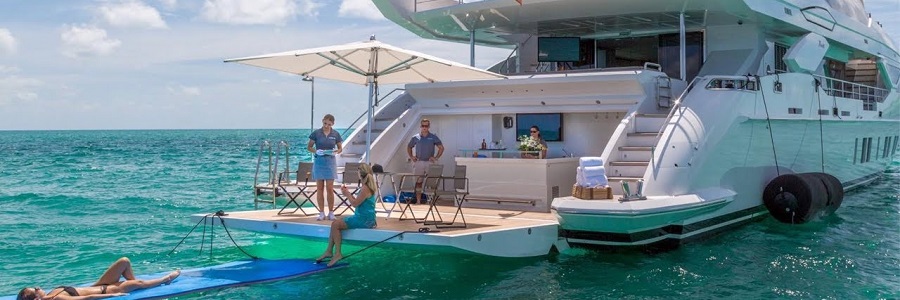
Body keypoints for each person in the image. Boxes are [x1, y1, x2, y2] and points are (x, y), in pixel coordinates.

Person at [16, 257, 180, 300]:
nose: (38, 287)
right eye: (35, 290)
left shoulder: (51, 294)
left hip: (100, 284)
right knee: (138, 283)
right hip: (108, 289)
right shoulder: (57, 298)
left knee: (124, 261)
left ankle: (139, 290)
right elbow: (89, 297)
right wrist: (112, 295)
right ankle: (166, 279)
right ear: (36, 299)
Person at [315, 163, 378, 267]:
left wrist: (347, 194)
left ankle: (337, 253)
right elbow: (358, 202)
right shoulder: (367, 187)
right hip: (366, 218)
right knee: (335, 224)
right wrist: (348, 193)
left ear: (360, 174)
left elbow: (355, 204)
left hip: (364, 220)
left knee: (335, 224)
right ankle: (329, 251)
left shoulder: (365, 188)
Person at [307, 114, 343, 221]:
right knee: (320, 188)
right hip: (319, 162)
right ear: (322, 121)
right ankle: (321, 212)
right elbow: (309, 147)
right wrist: (316, 151)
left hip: (330, 162)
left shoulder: (335, 134)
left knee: (330, 188)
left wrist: (336, 152)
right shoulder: (316, 133)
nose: (326, 126)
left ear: (333, 124)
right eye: (325, 123)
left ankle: (331, 212)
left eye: (329, 124)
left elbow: (340, 148)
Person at [406, 118, 444, 204]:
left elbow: (441, 148)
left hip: (430, 162)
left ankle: (432, 201)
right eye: (423, 126)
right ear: (420, 126)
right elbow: (409, 147)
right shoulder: (415, 137)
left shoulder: (433, 137)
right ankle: (418, 201)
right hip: (419, 162)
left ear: (429, 126)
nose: (424, 127)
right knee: (419, 182)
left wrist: (436, 157)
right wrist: (412, 156)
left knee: (432, 182)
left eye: (426, 126)